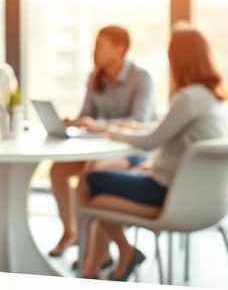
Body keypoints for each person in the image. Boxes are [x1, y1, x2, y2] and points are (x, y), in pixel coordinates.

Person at [78, 25, 228, 281]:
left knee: (90, 182)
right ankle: (109, 261)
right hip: (199, 193)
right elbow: (170, 132)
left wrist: (110, 131)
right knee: (109, 175)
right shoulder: (214, 97)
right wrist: (141, 140)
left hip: (166, 193)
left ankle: (94, 269)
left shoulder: (187, 97)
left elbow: (151, 141)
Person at [47, 25, 156, 258]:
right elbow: (87, 113)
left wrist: (101, 125)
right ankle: (71, 232)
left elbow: (140, 121)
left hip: (131, 152)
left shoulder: (141, 78)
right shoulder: (94, 78)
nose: (93, 51)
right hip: (97, 148)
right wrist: (76, 122)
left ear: (120, 49)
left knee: (91, 174)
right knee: (58, 170)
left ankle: (95, 252)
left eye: (99, 46)